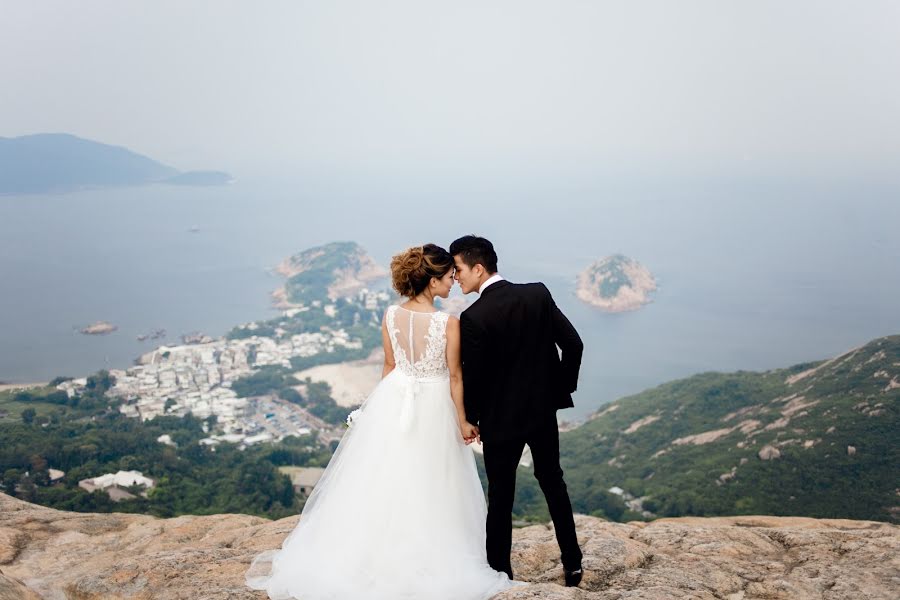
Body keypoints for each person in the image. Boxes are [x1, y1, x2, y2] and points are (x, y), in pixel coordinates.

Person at [245, 243, 521, 600]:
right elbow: (455, 378)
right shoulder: (448, 323)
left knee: (389, 476)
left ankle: (377, 551)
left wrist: (379, 411)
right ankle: (425, 555)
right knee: (433, 480)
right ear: (432, 280)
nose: (453, 281)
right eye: (448, 276)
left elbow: (389, 367)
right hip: (434, 404)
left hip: (395, 398)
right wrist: (464, 421)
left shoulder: (391, 315)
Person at [449, 235, 584, 588]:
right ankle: (573, 563)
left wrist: (472, 418)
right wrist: (559, 390)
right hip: (542, 413)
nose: (455, 277)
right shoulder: (536, 294)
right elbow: (573, 344)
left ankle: (500, 575)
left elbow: (474, 378)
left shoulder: (474, 317)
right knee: (554, 483)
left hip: (500, 421)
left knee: (501, 497)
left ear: (478, 268)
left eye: (459, 269)